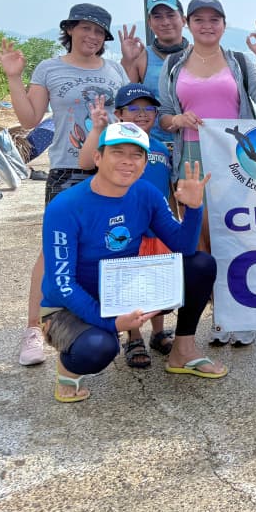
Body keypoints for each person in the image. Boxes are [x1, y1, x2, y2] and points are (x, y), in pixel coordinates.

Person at [39, 122, 226, 402]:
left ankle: (183, 351)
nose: (128, 161)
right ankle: (68, 367)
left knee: (200, 265)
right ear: (98, 157)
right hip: (70, 303)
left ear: (144, 162)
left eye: (137, 155)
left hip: (124, 288)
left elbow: (184, 248)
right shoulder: (65, 207)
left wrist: (194, 208)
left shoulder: (146, 193)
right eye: (118, 152)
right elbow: (61, 284)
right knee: (98, 348)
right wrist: (113, 322)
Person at [0, 3, 128, 366]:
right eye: (86, 28)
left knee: (113, 246)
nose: (92, 36)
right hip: (68, 170)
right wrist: (13, 77)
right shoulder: (50, 68)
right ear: (69, 29)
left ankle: (105, 322)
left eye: (99, 32)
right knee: (53, 250)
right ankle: (34, 328)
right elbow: (29, 118)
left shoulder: (114, 70)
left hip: (111, 170)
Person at [157, 0, 256, 347]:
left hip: (235, 159)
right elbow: (164, 117)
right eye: (199, 20)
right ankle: (219, 316)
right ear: (187, 24)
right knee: (202, 241)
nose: (207, 25)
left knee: (237, 235)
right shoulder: (174, 65)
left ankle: (240, 312)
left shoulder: (239, 61)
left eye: (214, 19)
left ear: (224, 24)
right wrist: (178, 119)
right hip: (191, 158)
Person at [78, 84, 176, 368]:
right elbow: (85, 163)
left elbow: (168, 187)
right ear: (119, 114)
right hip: (126, 229)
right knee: (132, 285)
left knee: (158, 281)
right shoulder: (109, 146)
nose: (142, 114)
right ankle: (134, 337)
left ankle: (159, 332)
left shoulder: (160, 147)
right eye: (134, 108)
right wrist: (97, 129)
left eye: (149, 109)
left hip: (157, 228)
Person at [118, 0, 188, 146]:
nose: (165, 22)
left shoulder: (198, 55)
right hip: (153, 144)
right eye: (157, 17)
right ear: (149, 23)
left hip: (192, 142)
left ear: (183, 20)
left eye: (171, 15)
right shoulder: (142, 56)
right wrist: (128, 60)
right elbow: (124, 100)